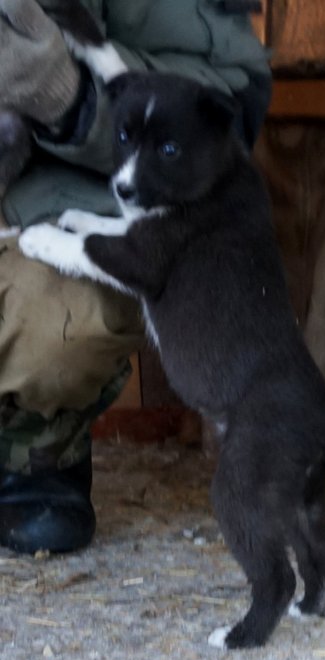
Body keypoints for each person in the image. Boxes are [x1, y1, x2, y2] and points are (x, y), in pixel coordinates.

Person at [0, 0, 271, 554]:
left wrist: (71, 97)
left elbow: (230, 108)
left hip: (47, 207)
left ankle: (32, 447)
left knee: (63, 316)